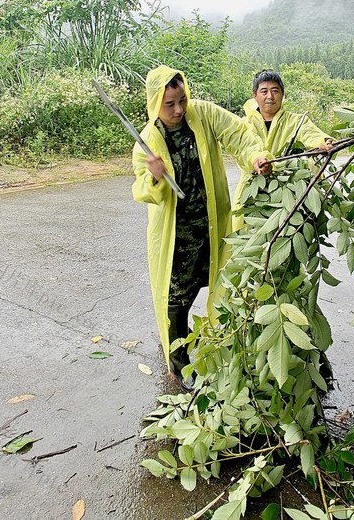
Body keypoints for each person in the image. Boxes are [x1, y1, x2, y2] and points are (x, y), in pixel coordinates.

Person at [132, 65, 273, 385]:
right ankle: (178, 362)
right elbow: (141, 191)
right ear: (156, 103)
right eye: (169, 104)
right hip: (177, 236)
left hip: (212, 225)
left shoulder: (204, 114)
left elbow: (238, 134)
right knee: (177, 297)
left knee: (220, 289)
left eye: (182, 100)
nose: (179, 109)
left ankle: (219, 353)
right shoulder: (147, 141)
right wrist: (155, 176)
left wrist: (255, 156)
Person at [233, 69, 333, 216]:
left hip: (288, 191)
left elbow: (311, 134)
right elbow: (240, 150)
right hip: (251, 191)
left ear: (282, 94)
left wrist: (323, 142)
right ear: (255, 95)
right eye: (264, 91)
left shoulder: (296, 121)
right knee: (249, 232)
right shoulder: (243, 124)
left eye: (275, 91)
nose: (270, 96)